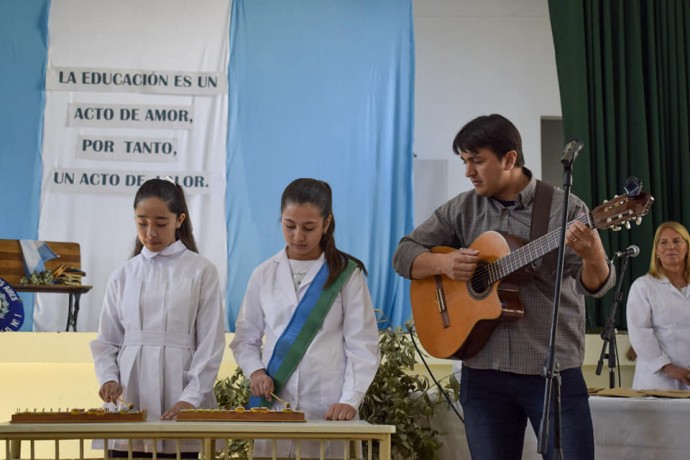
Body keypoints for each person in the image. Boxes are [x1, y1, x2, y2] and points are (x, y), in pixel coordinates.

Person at [392, 114, 615, 460]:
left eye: (477, 161)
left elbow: (596, 285)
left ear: (510, 159)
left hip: (550, 372)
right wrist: (445, 263)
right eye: (465, 161)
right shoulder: (462, 208)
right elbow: (404, 254)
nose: (468, 172)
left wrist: (594, 254)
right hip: (483, 375)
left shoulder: (566, 208)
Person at [230, 178, 380, 459]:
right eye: (290, 225)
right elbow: (245, 339)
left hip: (329, 406)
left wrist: (349, 400)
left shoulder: (346, 274)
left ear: (326, 223)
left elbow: (363, 346)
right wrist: (256, 372)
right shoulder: (263, 274)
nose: (298, 235)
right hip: (274, 405)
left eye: (309, 227)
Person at [90, 178, 226, 458]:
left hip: (180, 390)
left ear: (180, 220)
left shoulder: (201, 271)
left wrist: (191, 398)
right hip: (131, 390)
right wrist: (108, 378)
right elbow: (107, 340)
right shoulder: (123, 274)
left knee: (178, 449)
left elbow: (210, 344)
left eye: (161, 223)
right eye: (142, 222)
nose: (151, 232)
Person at [626, 221, 690, 390]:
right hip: (657, 382)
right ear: (657, 252)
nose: (671, 247)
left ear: (687, 247)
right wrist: (668, 368)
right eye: (663, 242)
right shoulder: (643, 286)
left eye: (677, 241)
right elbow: (640, 333)